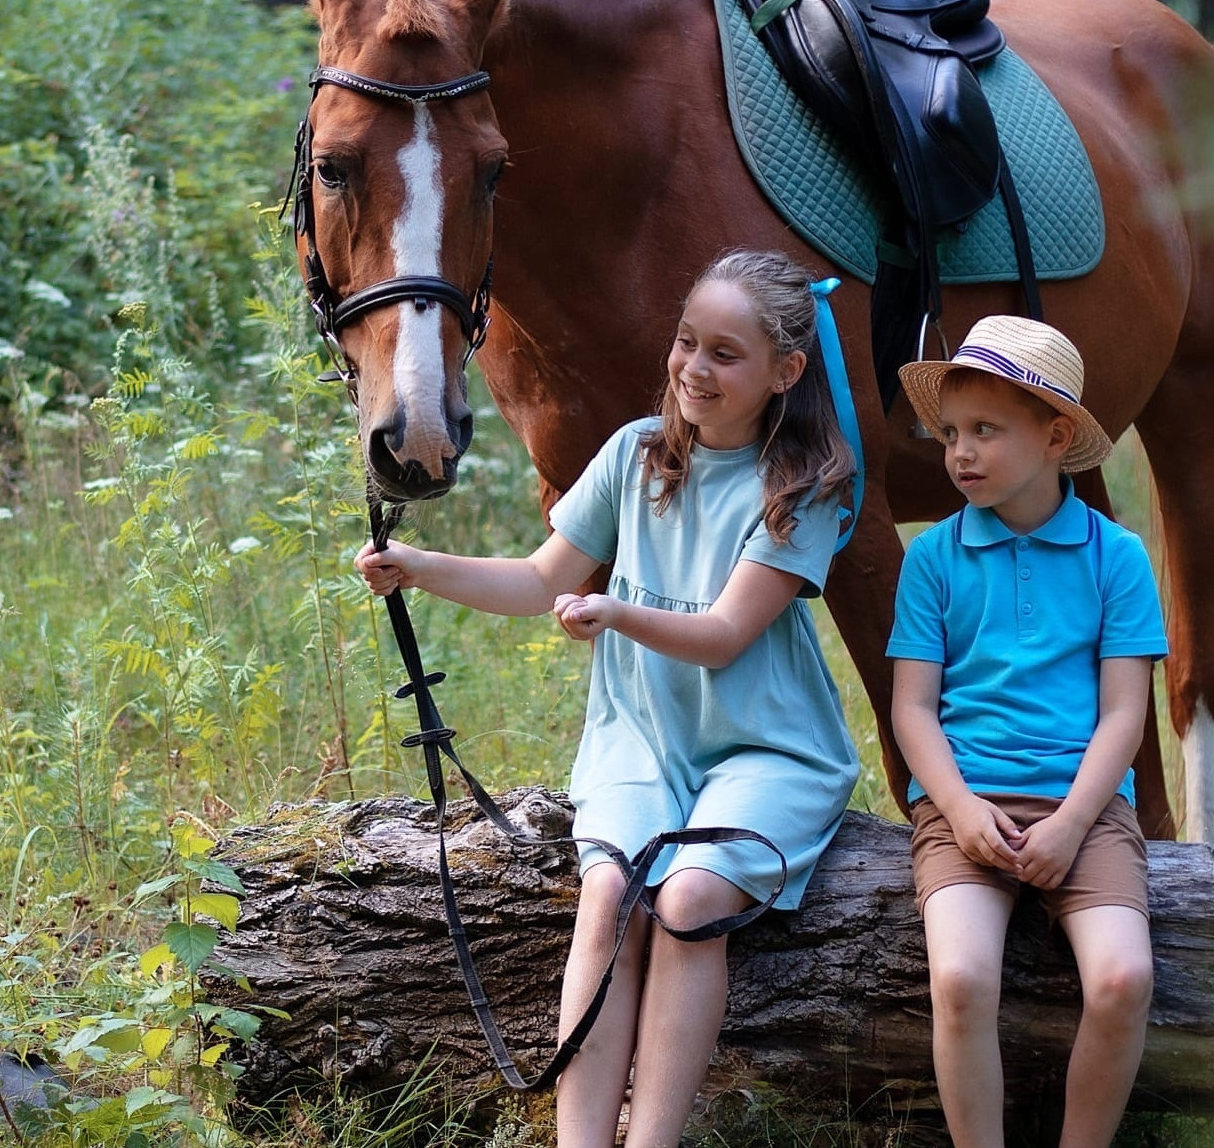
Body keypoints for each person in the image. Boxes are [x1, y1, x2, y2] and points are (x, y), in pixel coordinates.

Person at [356, 249, 861, 1148]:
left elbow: (723, 634)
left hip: (764, 747)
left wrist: (618, 611)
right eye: (685, 342)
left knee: (690, 899)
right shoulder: (634, 454)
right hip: (641, 740)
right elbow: (538, 576)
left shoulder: (803, 488)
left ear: (785, 372)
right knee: (610, 894)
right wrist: (416, 569)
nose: (693, 369)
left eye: (724, 354)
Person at [885, 315, 1166, 1148]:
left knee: (1122, 978)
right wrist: (961, 810)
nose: (959, 453)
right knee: (963, 978)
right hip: (962, 800)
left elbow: (1123, 711)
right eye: (949, 434)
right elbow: (911, 708)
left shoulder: (1115, 557)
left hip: (1084, 806)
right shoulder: (932, 558)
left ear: (1054, 437)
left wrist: (1076, 821)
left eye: (984, 432)